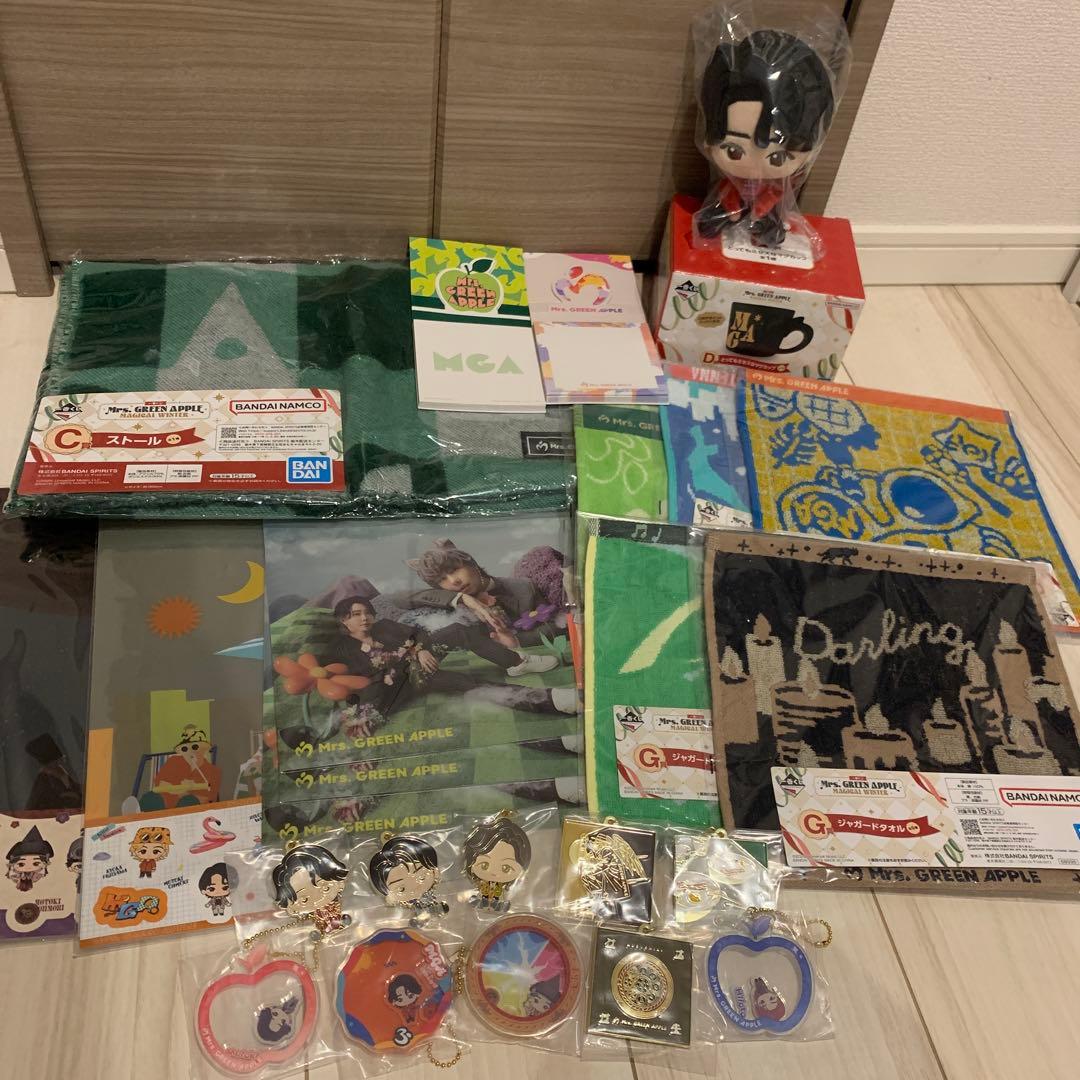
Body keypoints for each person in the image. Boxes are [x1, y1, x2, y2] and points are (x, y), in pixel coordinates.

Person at [694, 28, 837, 249]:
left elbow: (774, 195)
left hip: (765, 206)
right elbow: (727, 191)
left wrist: (760, 208)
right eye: (734, 151)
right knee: (715, 218)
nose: (754, 167)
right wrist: (732, 207)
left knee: (770, 227)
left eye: (777, 157)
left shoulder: (775, 186)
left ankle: (765, 229)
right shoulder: (734, 181)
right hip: (733, 199)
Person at [324, 597, 576, 720]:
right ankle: (547, 700)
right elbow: (362, 681)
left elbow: (420, 635)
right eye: (356, 614)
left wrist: (419, 649)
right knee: (467, 682)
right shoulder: (341, 649)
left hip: (418, 663)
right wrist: (408, 660)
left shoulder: (385, 627)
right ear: (344, 620)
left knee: (456, 631)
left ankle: (517, 663)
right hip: (398, 687)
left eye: (368, 613)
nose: (365, 618)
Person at [398, 541, 563, 671]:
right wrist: (463, 598)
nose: (454, 581)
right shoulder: (445, 600)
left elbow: (556, 627)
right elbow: (398, 599)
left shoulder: (523, 588)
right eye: (442, 579)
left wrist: (516, 640)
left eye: (454, 570)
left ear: (472, 564)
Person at [270, 843, 349, 935]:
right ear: (291, 908)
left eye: (326, 888)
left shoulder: (336, 907)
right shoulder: (314, 917)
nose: (319, 899)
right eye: (304, 899)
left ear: (340, 883)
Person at [140, 725, 222, 811]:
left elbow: (209, 800)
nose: (190, 751)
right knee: (149, 798)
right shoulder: (173, 762)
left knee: (189, 801)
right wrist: (177, 790)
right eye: (184, 749)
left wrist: (185, 792)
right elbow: (160, 785)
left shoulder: (213, 771)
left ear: (204, 749)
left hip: (191, 809)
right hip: (164, 808)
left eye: (194, 747)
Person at [462, 812, 531, 911]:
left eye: (505, 868)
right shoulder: (481, 883)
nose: (493, 873)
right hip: (483, 894)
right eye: (484, 865)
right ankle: (484, 902)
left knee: (497, 896)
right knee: (485, 895)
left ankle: (496, 904)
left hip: (498, 895)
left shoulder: (502, 886)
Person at [369, 835, 448, 917]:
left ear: (436, 872)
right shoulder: (410, 904)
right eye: (401, 889)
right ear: (389, 897)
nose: (415, 887)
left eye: (421, 877)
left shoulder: (429, 896)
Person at [5, 825, 53, 892]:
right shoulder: (15, 875)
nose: (28, 868)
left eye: (36, 863)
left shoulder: (37, 875)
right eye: (21, 864)